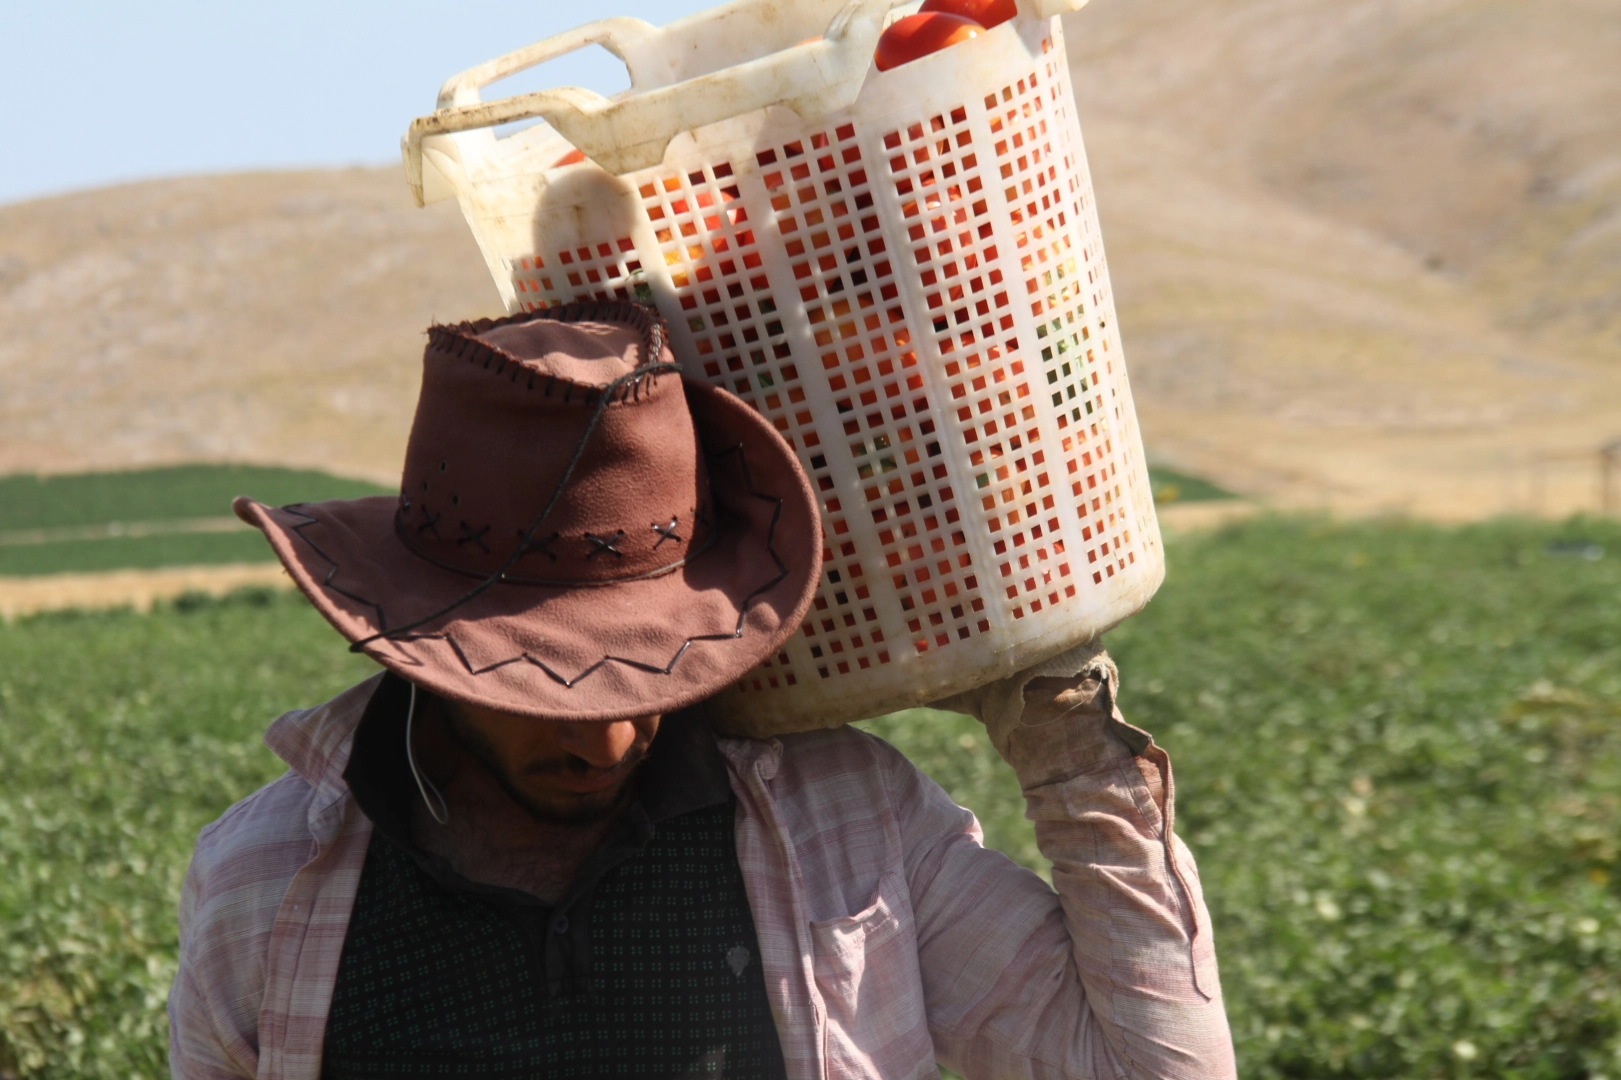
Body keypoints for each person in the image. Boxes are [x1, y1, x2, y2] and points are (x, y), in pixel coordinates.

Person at [169, 303, 1235, 1079]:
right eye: (550, 689)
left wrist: (1063, 737)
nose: (611, 738)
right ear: (432, 653)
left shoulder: (845, 831)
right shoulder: (266, 882)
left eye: (651, 673)